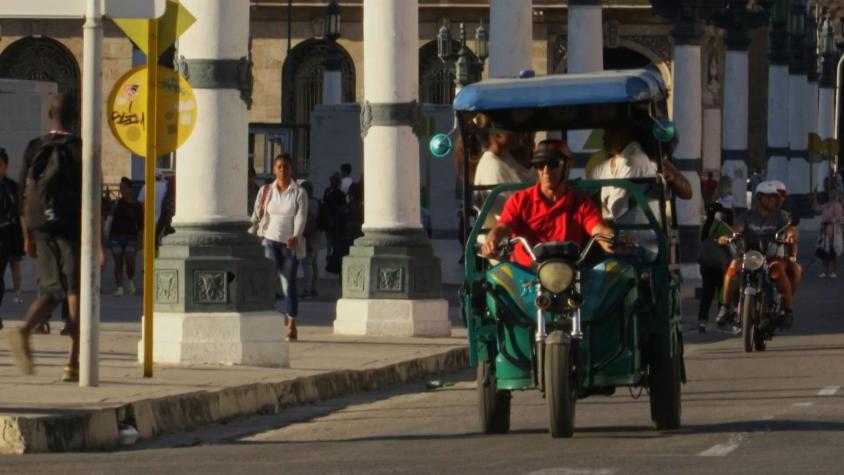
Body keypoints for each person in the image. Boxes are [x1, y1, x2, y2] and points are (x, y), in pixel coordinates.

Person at [8, 93, 82, 381]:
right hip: (71, 229)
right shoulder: (77, 148)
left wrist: (27, 236)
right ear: (75, 117)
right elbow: (93, 199)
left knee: (51, 291)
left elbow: (22, 195)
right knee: (76, 294)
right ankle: (73, 364)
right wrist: (98, 244)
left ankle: (25, 329)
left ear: (50, 115)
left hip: (40, 227)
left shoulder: (34, 146)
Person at [481, 139, 619, 264]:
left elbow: (598, 229)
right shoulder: (519, 200)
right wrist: (492, 241)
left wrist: (614, 241)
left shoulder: (580, 203)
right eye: (540, 165)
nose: (546, 171)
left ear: (568, 165)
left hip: (567, 275)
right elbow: (503, 227)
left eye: (553, 164)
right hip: (525, 276)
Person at [717, 181, 797, 332]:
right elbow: (736, 229)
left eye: (773, 198)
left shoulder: (781, 216)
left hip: (772, 257)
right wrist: (729, 237)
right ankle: (725, 307)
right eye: (767, 197)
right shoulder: (747, 216)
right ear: (759, 198)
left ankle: (788, 311)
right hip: (750, 256)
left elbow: (790, 229)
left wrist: (789, 236)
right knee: (733, 267)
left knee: (778, 270)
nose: (771, 201)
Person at [250, 153, 307, 341]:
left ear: (291, 170)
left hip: (289, 244)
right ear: (274, 170)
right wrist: (250, 233)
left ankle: (291, 323)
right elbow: (257, 214)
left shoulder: (299, 192)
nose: (283, 170)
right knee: (268, 281)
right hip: (269, 240)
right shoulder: (266, 190)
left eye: (286, 167)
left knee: (288, 284)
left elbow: (301, 216)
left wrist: (296, 236)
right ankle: (268, 320)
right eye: (279, 167)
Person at [589, 125, 692, 222]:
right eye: (605, 131)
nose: (604, 136)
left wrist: (672, 180)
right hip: (608, 235)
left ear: (625, 133)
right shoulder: (600, 169)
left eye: (611, 131)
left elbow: (687, 191)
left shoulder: (644, 159)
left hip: (641, 237)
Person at [473, 122, 536, 231]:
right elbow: (506, 214)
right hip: (501, 243)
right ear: (498, 135)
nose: (522, 134)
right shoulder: (492, 165)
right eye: (515, 130)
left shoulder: (503, 162)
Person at [696, 202, 734, 333]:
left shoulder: (703, 227)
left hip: (705, 265)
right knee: (722, 292)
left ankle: (702, 321)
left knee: (706, 294)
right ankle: (721, 320)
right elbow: (732, 237)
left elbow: (700, 243)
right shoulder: (722, 226)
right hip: (720, 265)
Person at [106, 177, 143, 297]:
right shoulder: (117, 203)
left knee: (130, 261)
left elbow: (141, 224)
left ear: (130, 190)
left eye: (124, 188)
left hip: (131, 237)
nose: (121, 190)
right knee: (118, 263)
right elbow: (109, 219)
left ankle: (130, 281)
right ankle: (119, 288)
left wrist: (141, 240)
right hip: (116, 237)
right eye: (120, 188)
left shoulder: (137, 206)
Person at [0, 148, 24, 330]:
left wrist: (24, 237)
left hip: (10, 237)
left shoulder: (11, 187)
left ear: (5, 166)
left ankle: (17, 292)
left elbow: (20, 213)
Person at [138, 168, 173, 250]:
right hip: (162, 220)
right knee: (159, 243)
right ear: (160, 176)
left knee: (149, 245)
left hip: (149, 221)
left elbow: (140, 202)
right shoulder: (165, 186)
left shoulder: (145, 186)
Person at [813, 189, 844, 278]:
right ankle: (825, 271)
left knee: (834, 251)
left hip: (834, 231)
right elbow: (817, 208)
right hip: (825, 231)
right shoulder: (827, 205)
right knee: (824, 252)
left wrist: (832, 220)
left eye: (833, 196)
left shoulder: (837, 206)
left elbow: (840, 217)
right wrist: (814, 198)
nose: (832, 197)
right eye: (831, 195)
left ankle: (834, 271)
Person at [298, 179, 321, 299]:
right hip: (317, 234)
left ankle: (307, 289)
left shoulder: (307, 203)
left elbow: (308, 222)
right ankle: (314, 289)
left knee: (307, 262)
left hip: (309, 235)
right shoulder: (316, 201)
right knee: (313, 262)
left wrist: (305, 239)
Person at [323, 173, 346, 274]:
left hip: (329, 219)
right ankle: (334, 256)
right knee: (336, 239)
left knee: (329, 239)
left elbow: (325, 203)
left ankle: (329, 255)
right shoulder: (341, 194)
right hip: (337, 220)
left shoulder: (327, 191)